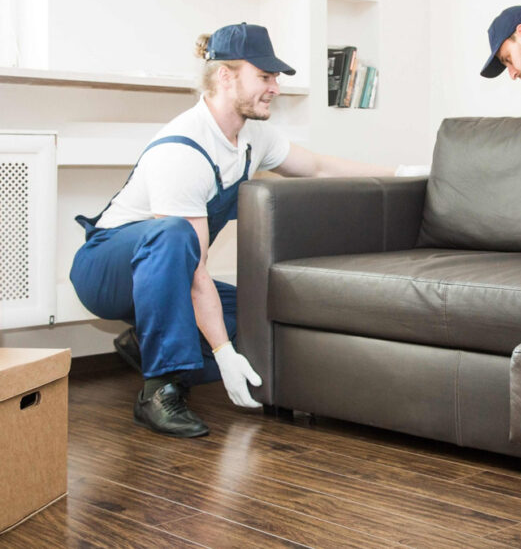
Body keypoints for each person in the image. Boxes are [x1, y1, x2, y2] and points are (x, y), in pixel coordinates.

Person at [70, 22, 426, 438]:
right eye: (265, 76)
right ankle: (159, 390)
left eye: (276, 77)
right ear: (226, 76)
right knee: (174, 236)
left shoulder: (253, 136)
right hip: (107, 270)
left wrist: (402, 173)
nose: (275, 87)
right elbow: (195, 272)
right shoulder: (182, 150)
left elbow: (316, 167)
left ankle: (145, 344)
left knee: (259, 326)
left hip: (167, 275)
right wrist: (222, 352)